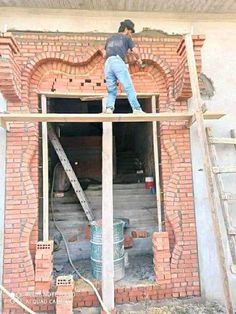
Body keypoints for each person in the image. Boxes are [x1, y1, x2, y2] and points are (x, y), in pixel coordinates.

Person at [104, 19, 145, 114]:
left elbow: (104, 54)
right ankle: (137, 109)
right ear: (126, 29)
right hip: (117, 62)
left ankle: (109, 108)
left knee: (111, 90)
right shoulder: (126, 38)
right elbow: (135, 51)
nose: (130, 34)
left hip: (108, 63)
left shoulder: (110, 39)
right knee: (128, 86)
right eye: (130, 32)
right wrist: (139, 60)